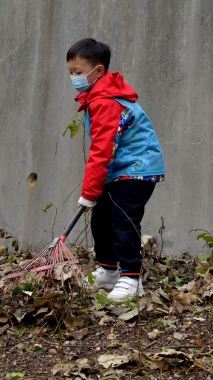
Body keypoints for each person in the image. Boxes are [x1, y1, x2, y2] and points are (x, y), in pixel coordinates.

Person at [66, 38, 165, 301]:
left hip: (137, 169)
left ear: (98, 71)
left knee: (124, 220)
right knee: (101, 220)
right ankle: (109, 270)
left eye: (78, 72)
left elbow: (102, 150)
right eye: (71, 72)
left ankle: (132, 278)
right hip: (119, 170)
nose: (73, 77)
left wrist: (89, 191)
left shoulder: (106, 103)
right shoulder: (98, 98)